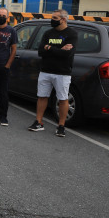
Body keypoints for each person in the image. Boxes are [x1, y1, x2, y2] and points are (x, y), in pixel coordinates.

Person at [29, 9, 77, 137]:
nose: (52, 20)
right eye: (52, 17)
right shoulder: (48, 33)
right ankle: (38, 122)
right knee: (42, 96)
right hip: (45, 71)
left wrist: (49, 48)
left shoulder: (71, 34)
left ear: (63, 19)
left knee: (62, 98)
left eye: (55, 18)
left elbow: (67, 54)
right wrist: (58, 49)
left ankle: (61, 126)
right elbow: (40, 51)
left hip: (62, 72)